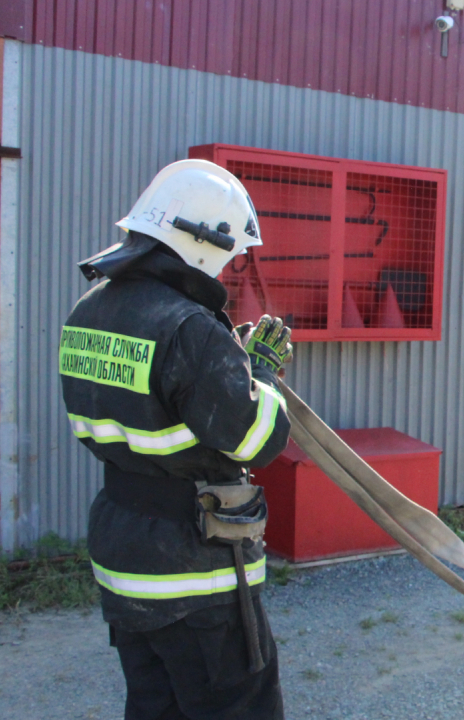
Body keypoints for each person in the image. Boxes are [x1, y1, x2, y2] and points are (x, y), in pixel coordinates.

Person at [60, 159, 293, 719]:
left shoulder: (88, 310)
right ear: (203, 241)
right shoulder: (189, 327)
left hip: (124, 551)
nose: (230, 268)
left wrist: (222, 367)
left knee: (154, 706)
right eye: (230, 254)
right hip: (196, 574)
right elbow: (258, 439)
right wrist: (259, 374)